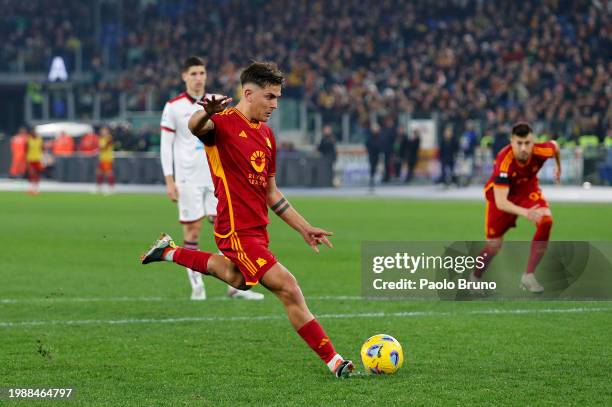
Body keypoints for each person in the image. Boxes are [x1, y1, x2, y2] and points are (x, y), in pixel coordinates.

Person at [142, 61, 353, 377]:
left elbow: (272, 194)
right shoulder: (222, 124)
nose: (274, 105)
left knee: (238, 278)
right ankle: (335, 361)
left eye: (277, 98)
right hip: (236, 229)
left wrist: (304, 227)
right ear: (248, 92)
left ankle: (168, 251)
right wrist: (206, 112)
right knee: (288, 287)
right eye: (269, 97)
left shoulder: (267, 136)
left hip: (258, 229)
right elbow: (196, 127)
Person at [160, 56, 263, 301]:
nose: (198, 78)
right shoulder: (173, 107)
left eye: (202, 73)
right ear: (184, 76)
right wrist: (169, 180)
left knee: (226, 230)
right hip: (187, 179)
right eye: (193, 73)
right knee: (193, 231)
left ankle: (234, 286)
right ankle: (197, 287)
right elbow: (166, 145)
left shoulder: (216, 102)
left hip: (216, 177)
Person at [471, 122, 561, 293]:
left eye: (527, 143)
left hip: (527, 190)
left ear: (533, 142)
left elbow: (555, 147)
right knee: (494, 245)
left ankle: (528, 275)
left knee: (546, 220)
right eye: (519, 143)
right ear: (511, 142)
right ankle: (475, 277)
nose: (523, 148)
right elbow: (501, 202)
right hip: (502, 197)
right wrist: (526, 212)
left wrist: (558, 167)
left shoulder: (541, 150)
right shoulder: (504, 161)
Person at [96, 127, 115, 194]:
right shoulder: (101, 138)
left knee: (109, 173)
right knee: (99, 173)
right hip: (102, 158)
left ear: (107, 131)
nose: (102, 132)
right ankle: (99, 188)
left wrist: (98, 149)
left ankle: (111, 188)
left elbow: (104, 148)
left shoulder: (109, 138)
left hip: (107, 159)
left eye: (104, 131)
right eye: (102, 131)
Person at [26, 130, 44, 195]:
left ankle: (36, 189)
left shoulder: (40, 140)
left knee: (37, 174)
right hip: (30, 159)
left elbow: (42, 149)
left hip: (38, 159)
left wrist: (42, 158)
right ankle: (31, 188)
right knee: (31, 174)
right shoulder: (28, 140)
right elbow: (26, 149)